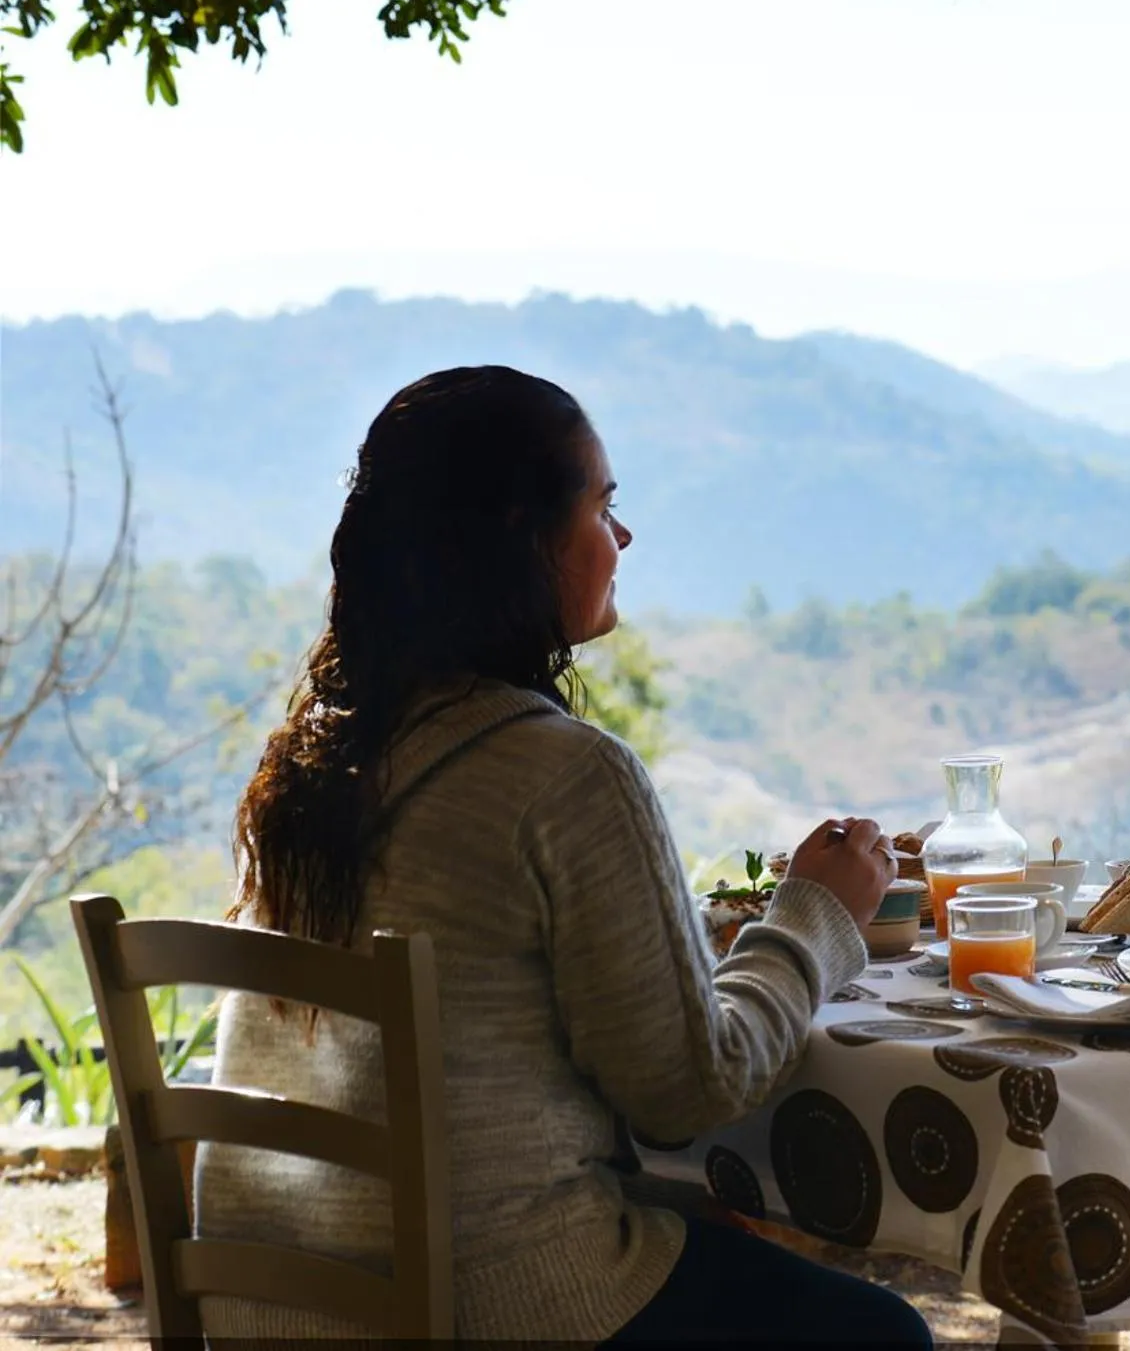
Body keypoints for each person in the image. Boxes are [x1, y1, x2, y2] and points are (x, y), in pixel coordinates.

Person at [193, 366, 933, 1347]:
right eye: (602, 505)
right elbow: (686, 1092)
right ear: (520, 537)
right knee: (880, 1334)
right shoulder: (564, 772)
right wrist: (813, 912)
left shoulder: (313, 753)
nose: (621, 538)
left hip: (288, 1306)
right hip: (502, 1302)